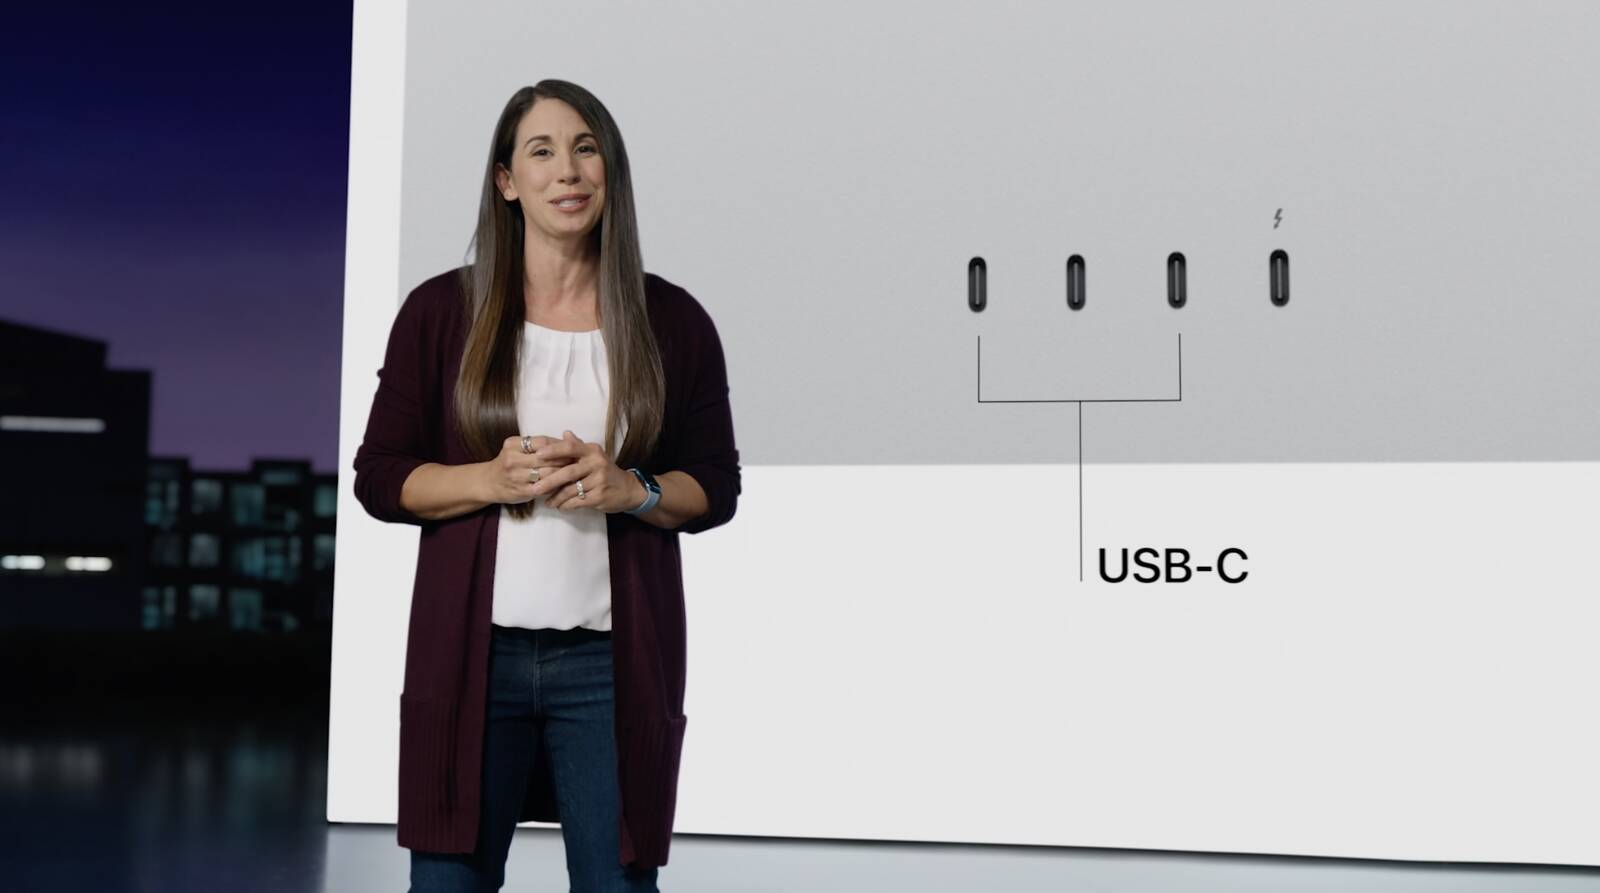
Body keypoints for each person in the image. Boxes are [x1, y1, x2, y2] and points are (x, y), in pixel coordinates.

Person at [352, 79, 741, 892]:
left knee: (619, 882)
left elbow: (715, 487)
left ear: (610, 171)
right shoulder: (440, 312)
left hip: (611, 667)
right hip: (471, 662)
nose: (568, 170)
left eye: (586, 148)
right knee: (447, 883)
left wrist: (630, 490)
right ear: (507, 181)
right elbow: (380, 477)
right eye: (542, 151)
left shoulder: (673, 321)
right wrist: (488, 479)